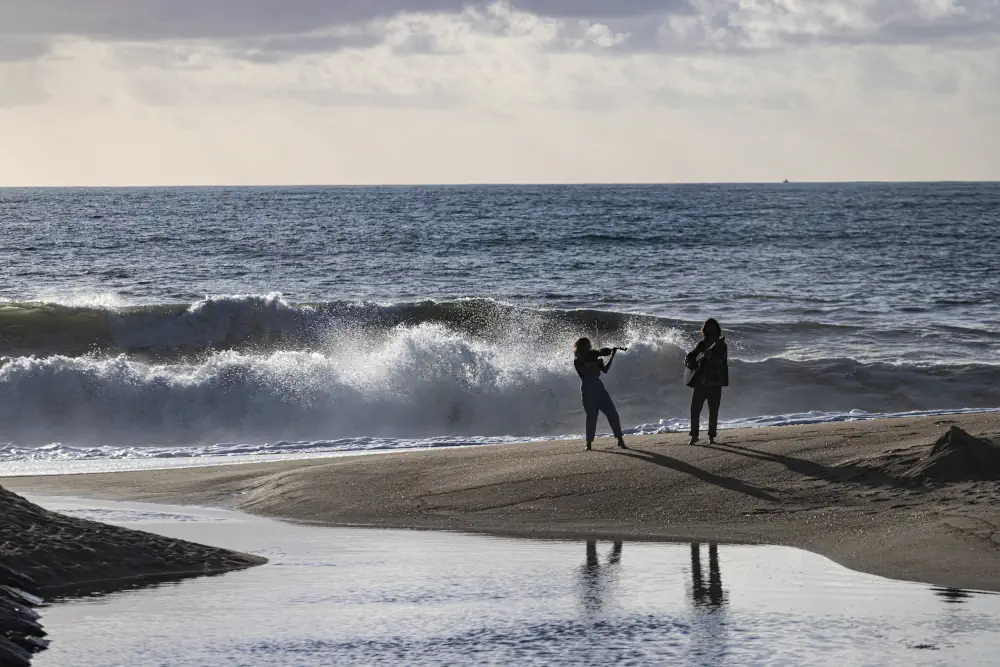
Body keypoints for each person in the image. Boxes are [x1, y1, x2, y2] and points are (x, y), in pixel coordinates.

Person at [573, 337, 627, 451]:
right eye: (587, 347)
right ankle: (588, 444)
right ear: (581, 348)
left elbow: (605, 370)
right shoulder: (577, 361)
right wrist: (596, 358)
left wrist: (611, 356)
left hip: (599, 387)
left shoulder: (595, 357)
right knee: (592, 417)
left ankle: (620, 440)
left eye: (589, 346)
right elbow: (586, 372)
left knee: (613, 413)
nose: (589, 348)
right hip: (587, 389)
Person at [684, 318, 729, 445]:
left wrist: (711, 358)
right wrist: (691, 361)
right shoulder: (702, 344)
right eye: (708, 327)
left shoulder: (722, 345)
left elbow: (722, 363)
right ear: (705, 329)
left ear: (716, 329)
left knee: (713, 411)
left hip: (715, 383)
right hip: (700, 383)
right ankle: (694, 436)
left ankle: (711, 437)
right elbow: (691, 356)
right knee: (694, 410)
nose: (710, 329)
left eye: (712, 327)